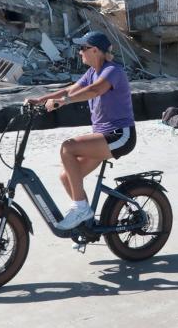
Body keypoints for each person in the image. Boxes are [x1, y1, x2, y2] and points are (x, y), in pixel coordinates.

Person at [25, 31, 136, 230]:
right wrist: (41, 99)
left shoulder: (112, 71)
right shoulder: (92, 72)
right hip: (103, 136)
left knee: (68, 148)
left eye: (82, 48)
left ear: (95, 50)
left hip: (120, 135)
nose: (79, 53)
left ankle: (81, 208)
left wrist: (63, 102)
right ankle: (87, 225)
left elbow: (95, 90)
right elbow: (71, 90)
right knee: (66, 176)